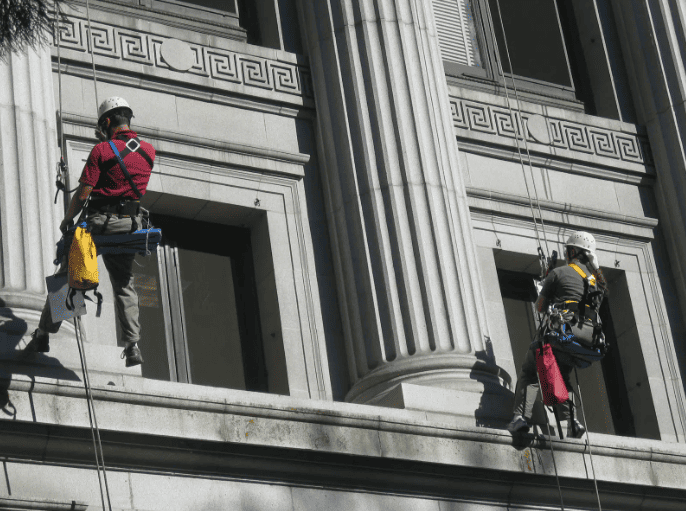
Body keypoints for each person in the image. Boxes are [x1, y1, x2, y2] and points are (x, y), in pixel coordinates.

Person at [24, 97, 155, 367]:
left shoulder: (102, 151)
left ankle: (44, 334)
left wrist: (67, 219)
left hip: (98, 224)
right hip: (129, 226)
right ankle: (133, 344)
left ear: (106, 122)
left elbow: (83, 193)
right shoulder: (149, 151)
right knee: (124, 283)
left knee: (69, 277)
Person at [507, 231, 608, 437]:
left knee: (531, 369)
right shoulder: (593, 281)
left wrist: (547, 286)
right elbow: (603, 293)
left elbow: (540, 307)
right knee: (560, 375)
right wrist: (595, 267)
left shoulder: (559, 273)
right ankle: (573, 422)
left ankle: (520, 418)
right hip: (586, 340)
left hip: (564, 335)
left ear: (572, 251)